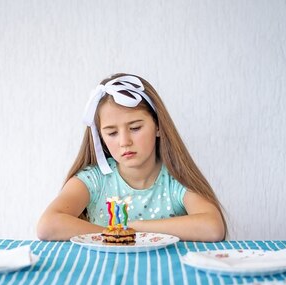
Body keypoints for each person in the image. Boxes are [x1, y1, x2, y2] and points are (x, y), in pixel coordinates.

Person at [37, 73, 227, 242]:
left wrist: (134, 229)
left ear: (158, 126)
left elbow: (212, 228)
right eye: (112, 133)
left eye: (135, 128)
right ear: (99, 137)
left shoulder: (174, 179)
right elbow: (48, 226)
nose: (124, 141)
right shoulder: (94, 180)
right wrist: (114, 235)